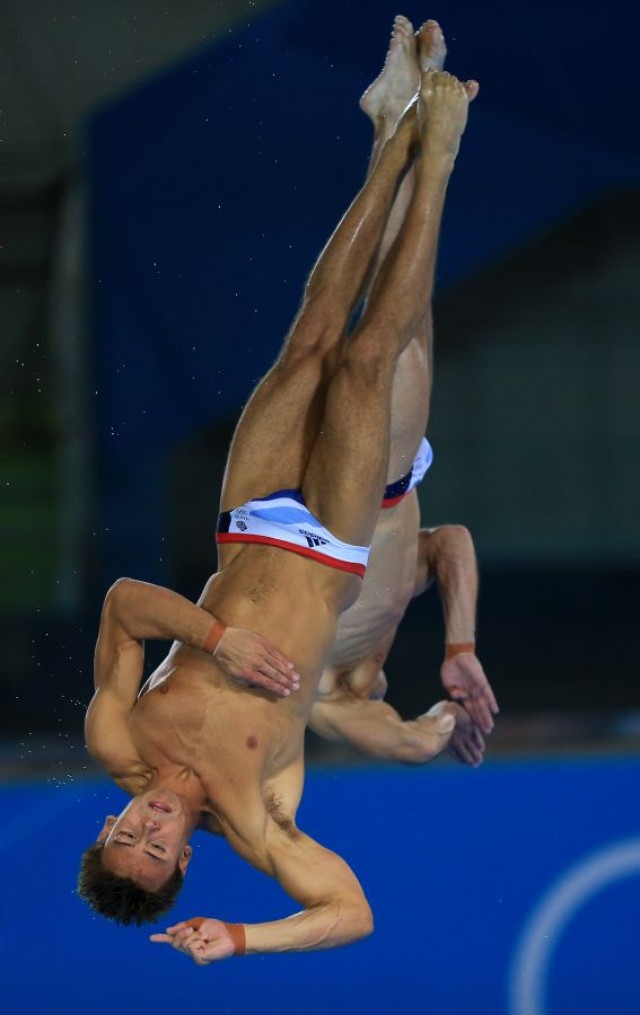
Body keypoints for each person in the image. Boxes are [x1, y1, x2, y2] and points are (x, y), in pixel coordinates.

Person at [78, 22, 478, 964]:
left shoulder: (116, 736)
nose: (151, 824)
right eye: (159, 847)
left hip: (247, 524)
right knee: (368, 355)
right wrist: (244, 936)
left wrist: (215, 638)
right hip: (331, 543)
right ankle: (437, 159)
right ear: (182, 861)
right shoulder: (259, 817)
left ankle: (392, 138)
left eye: (129, 831)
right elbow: (350, 910)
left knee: (310, 334)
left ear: (109, 823)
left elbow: (124, 604)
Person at [310, 17, 497, 769]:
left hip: (365, 472)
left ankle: (411, 129)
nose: (386, 683)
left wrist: (447, 717)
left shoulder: (326, 690)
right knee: (405, 306)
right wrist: (459, 649)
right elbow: (451, 543)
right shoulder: (383, 618)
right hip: (379, 470)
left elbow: (414, 743)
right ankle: (401, 119)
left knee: (401, 303)